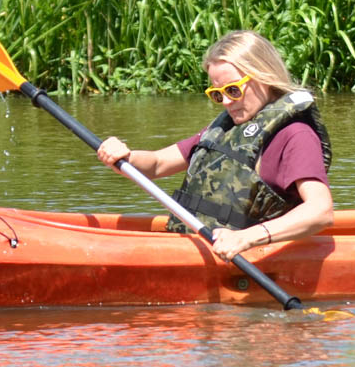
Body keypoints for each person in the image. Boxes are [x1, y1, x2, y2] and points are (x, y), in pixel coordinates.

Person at [96, 31, 334, 259]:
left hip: (251, 257)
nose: (226, 102)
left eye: (233, 90)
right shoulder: (225, 130)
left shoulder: (296, 135)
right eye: (217, 94)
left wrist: (246, 238)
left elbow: (320, 211)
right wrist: (125, 156)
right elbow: (158, 164)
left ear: (263, 76)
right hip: (198, 249)